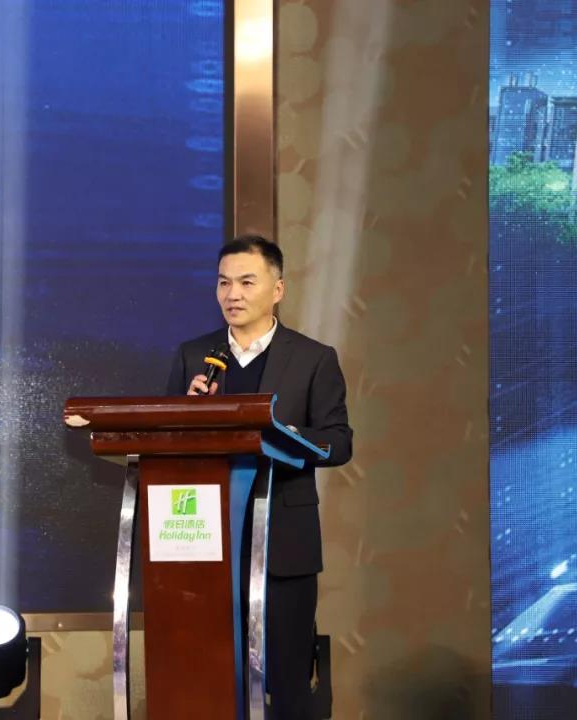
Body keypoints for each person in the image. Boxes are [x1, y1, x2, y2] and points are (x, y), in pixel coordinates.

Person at [166, 234, 352, 719]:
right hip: (206, 540)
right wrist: (187, 415)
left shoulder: (313, 358)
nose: (233, 294)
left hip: (284, 540)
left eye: (247, 282)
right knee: (209, 673)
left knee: (286, 676)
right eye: (224, 283)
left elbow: (339, 442)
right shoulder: (194, 355)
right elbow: (168, 444)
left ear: (278, 289)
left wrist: (284, 437)